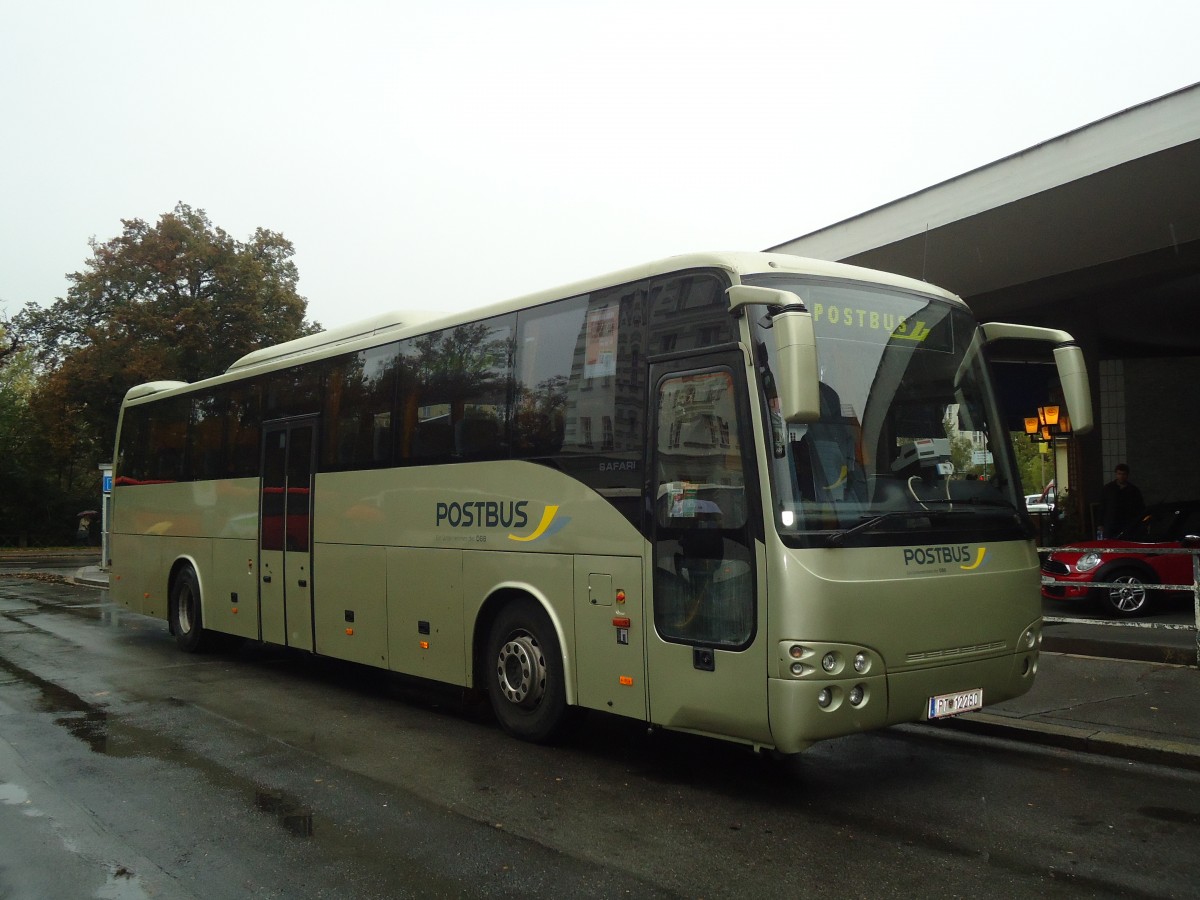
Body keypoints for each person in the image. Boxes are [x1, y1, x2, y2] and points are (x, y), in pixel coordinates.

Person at [1100, 463, 1144, 538]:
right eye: (1119, 474)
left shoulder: (1133, 490)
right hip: (1111, 523)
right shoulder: (1108, 489)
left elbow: (1139, 508)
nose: (1121, 476)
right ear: (1116, 474)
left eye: (1123, 474)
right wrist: (1100, 524)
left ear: (1127, 475)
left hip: (1127, 524)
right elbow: (1102, 507)